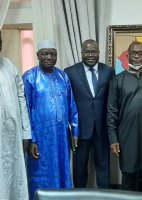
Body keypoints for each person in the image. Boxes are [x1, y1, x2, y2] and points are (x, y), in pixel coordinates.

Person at [23, 39, 79, 200]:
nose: (49, 57)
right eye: (45, 53)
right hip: (40, 138)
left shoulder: (63, 76)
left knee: (62, 168)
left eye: (53, 54)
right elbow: (25, 110)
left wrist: (75, 131)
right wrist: (31, 139)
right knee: (40, 173)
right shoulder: (29, 77)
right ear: (38, 55)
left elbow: (72, 106)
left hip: (61, 137)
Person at [107, 41, 142, 199]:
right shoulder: (118, 80)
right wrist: (113, 139)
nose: (137, 56)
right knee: (129, 177)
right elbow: (112, 111)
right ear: (127, 55)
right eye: (133, 53)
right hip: (126, 136)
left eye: (140, 53)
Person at [64, 39, 114, 188]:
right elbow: (67, 101)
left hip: (102, 128)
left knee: (103, 167)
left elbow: (112, 99)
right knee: (79, 168)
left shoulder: (108, 71)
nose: (90, 55)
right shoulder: (70, 72)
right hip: (80, 131)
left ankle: (105, 198)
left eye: (93, 52)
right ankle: (80, 196)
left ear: (99, 53)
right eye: (87, 52)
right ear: (81, 53)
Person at [0, 30, 31, 200]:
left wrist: (26, 132)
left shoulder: (9, 66)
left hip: (12, 137)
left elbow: (22, 100)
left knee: (13, 178)